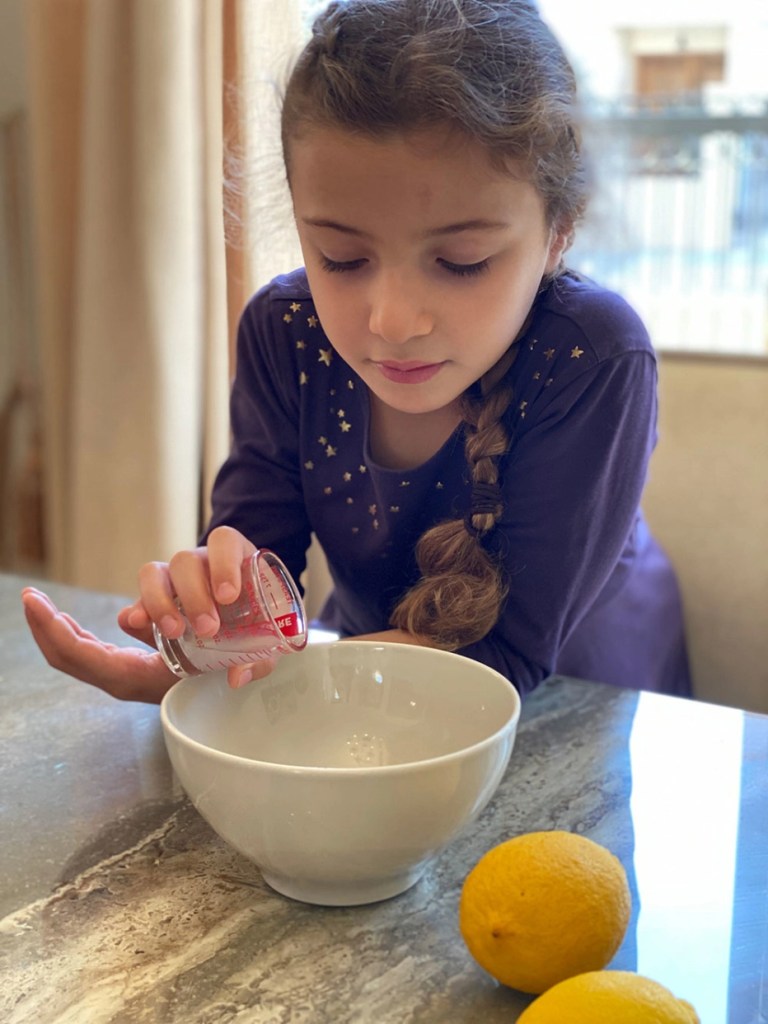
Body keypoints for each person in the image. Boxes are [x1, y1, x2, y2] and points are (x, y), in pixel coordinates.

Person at [22, 0, 691, 704]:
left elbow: (507, 654)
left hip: (581, 688)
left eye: (462, 261)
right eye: (341, 258)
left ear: (560, 231)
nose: (393, 321)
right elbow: (257, 567)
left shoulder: (592, 356)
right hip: (373, 661)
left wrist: (283, 676)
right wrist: (217, 636)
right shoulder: (286, 333)